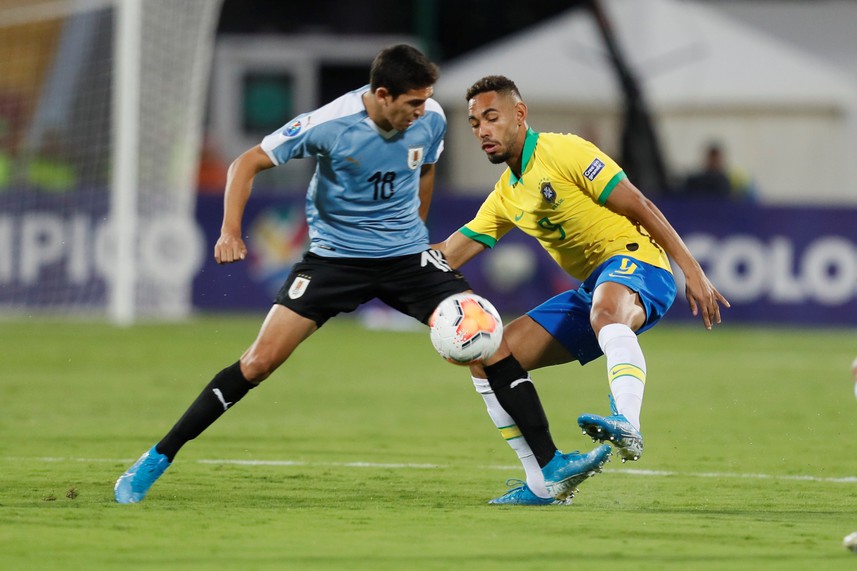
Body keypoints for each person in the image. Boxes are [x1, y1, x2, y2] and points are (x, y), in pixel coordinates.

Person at [114, 47, 610, 505]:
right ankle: (156, 458)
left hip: (405, 260)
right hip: (334, 263)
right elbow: (247, 163)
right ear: (382, 95)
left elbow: (427, 167)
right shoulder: (330, 124)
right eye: (412, 103)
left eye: (426, 100)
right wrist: (229, 230)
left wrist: (417, 230)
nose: (422, 111)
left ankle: (550, 465)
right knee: (259, 362)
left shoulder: (431, 119)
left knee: (489, 339)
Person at [434, 75, 730, 505]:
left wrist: (692, 270)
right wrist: (384, 267)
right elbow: (448, 254)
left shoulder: (563, 151)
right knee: (489, 359)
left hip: (640, 264)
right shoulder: (506, 195)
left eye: (492, 117)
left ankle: (628, 421)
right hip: (593, 289)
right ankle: (544, 482)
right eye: (475, 123)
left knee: (605, 312)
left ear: (520, 114)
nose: (483, 130)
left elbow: (640, 205)